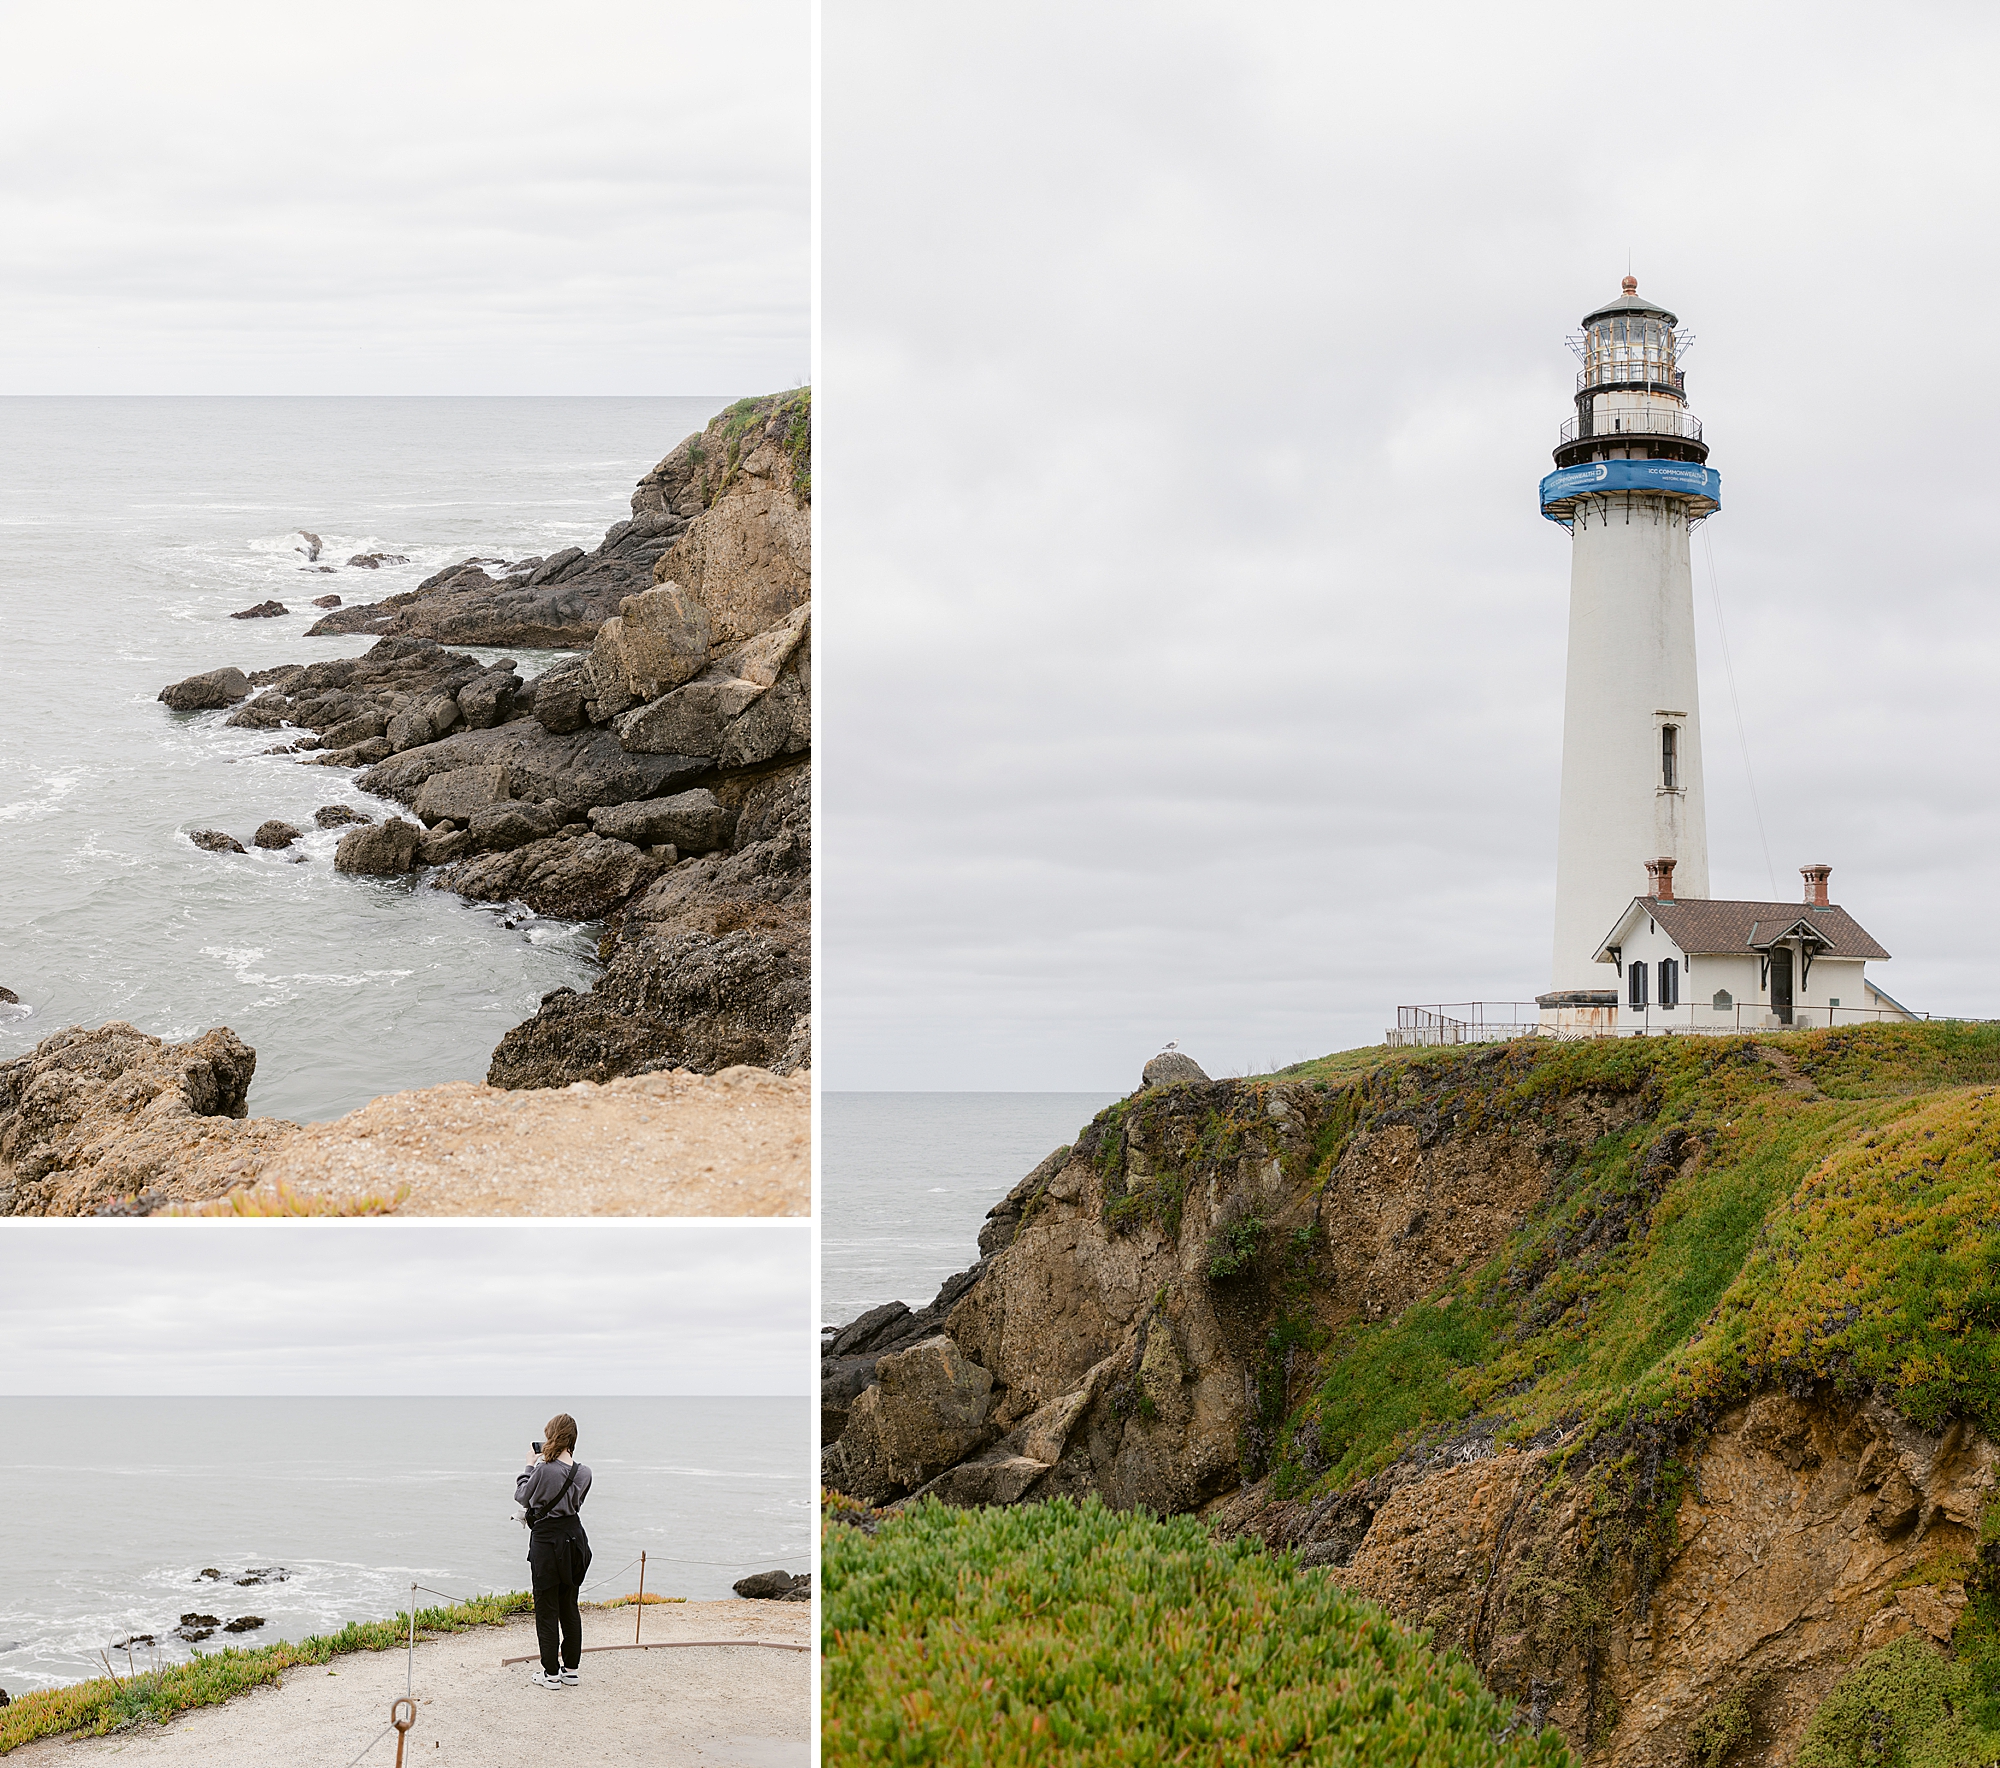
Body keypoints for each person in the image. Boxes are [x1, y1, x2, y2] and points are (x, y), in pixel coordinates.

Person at [516, 1412, 593, 1690]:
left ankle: (550, 1674)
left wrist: (528, 1466)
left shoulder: (544, 1469)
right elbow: (577, 1503)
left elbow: (523, 1496)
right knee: (569, 1605)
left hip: (547, 1542)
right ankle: (570, 1670)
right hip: (574, 1539)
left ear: (553, 1437)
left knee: (546, 1607)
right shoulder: (585, 1472)